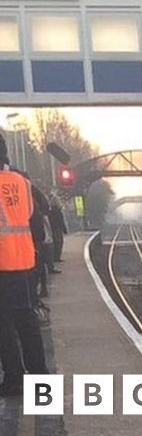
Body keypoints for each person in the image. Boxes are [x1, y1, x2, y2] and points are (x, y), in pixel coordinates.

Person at [0, 134, 48, 397]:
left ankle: (14, 378)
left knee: (4, 326)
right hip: (24, 261)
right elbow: (32, 218)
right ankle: (40, 376)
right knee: (27, 321)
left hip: (2, 265)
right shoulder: (21, 182)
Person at [48, 193, 67, 265]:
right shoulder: (58, 211)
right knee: (59, 242)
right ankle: (57, 257)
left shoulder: (50, 211)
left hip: (52, 229)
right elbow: (60, 221)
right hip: (57, 229)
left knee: (55, 243)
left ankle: (55, 257)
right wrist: (64, 229)